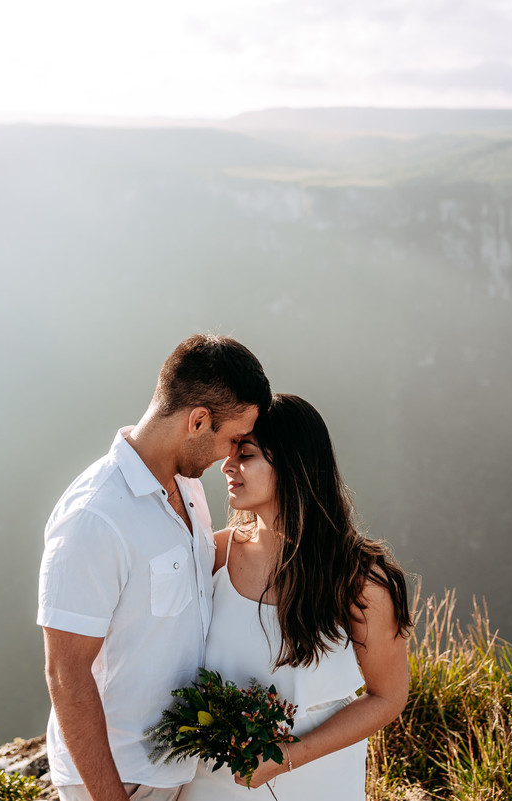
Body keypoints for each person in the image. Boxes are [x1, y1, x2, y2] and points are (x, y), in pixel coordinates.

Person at [38, 334, 271, 801]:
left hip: (174, 771)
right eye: (231, 439)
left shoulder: (189, 489)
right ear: (198, 420)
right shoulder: (94, 515)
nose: (230, 457)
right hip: (113, 778)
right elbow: (66, 672)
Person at [178, 393, 412, 800]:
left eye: (246, 454)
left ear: (291, 465)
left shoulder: (359, 579)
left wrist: (288, 757)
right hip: (212, 784)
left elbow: (388, 696)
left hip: (318, 782)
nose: (227, 465)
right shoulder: (213, 556)